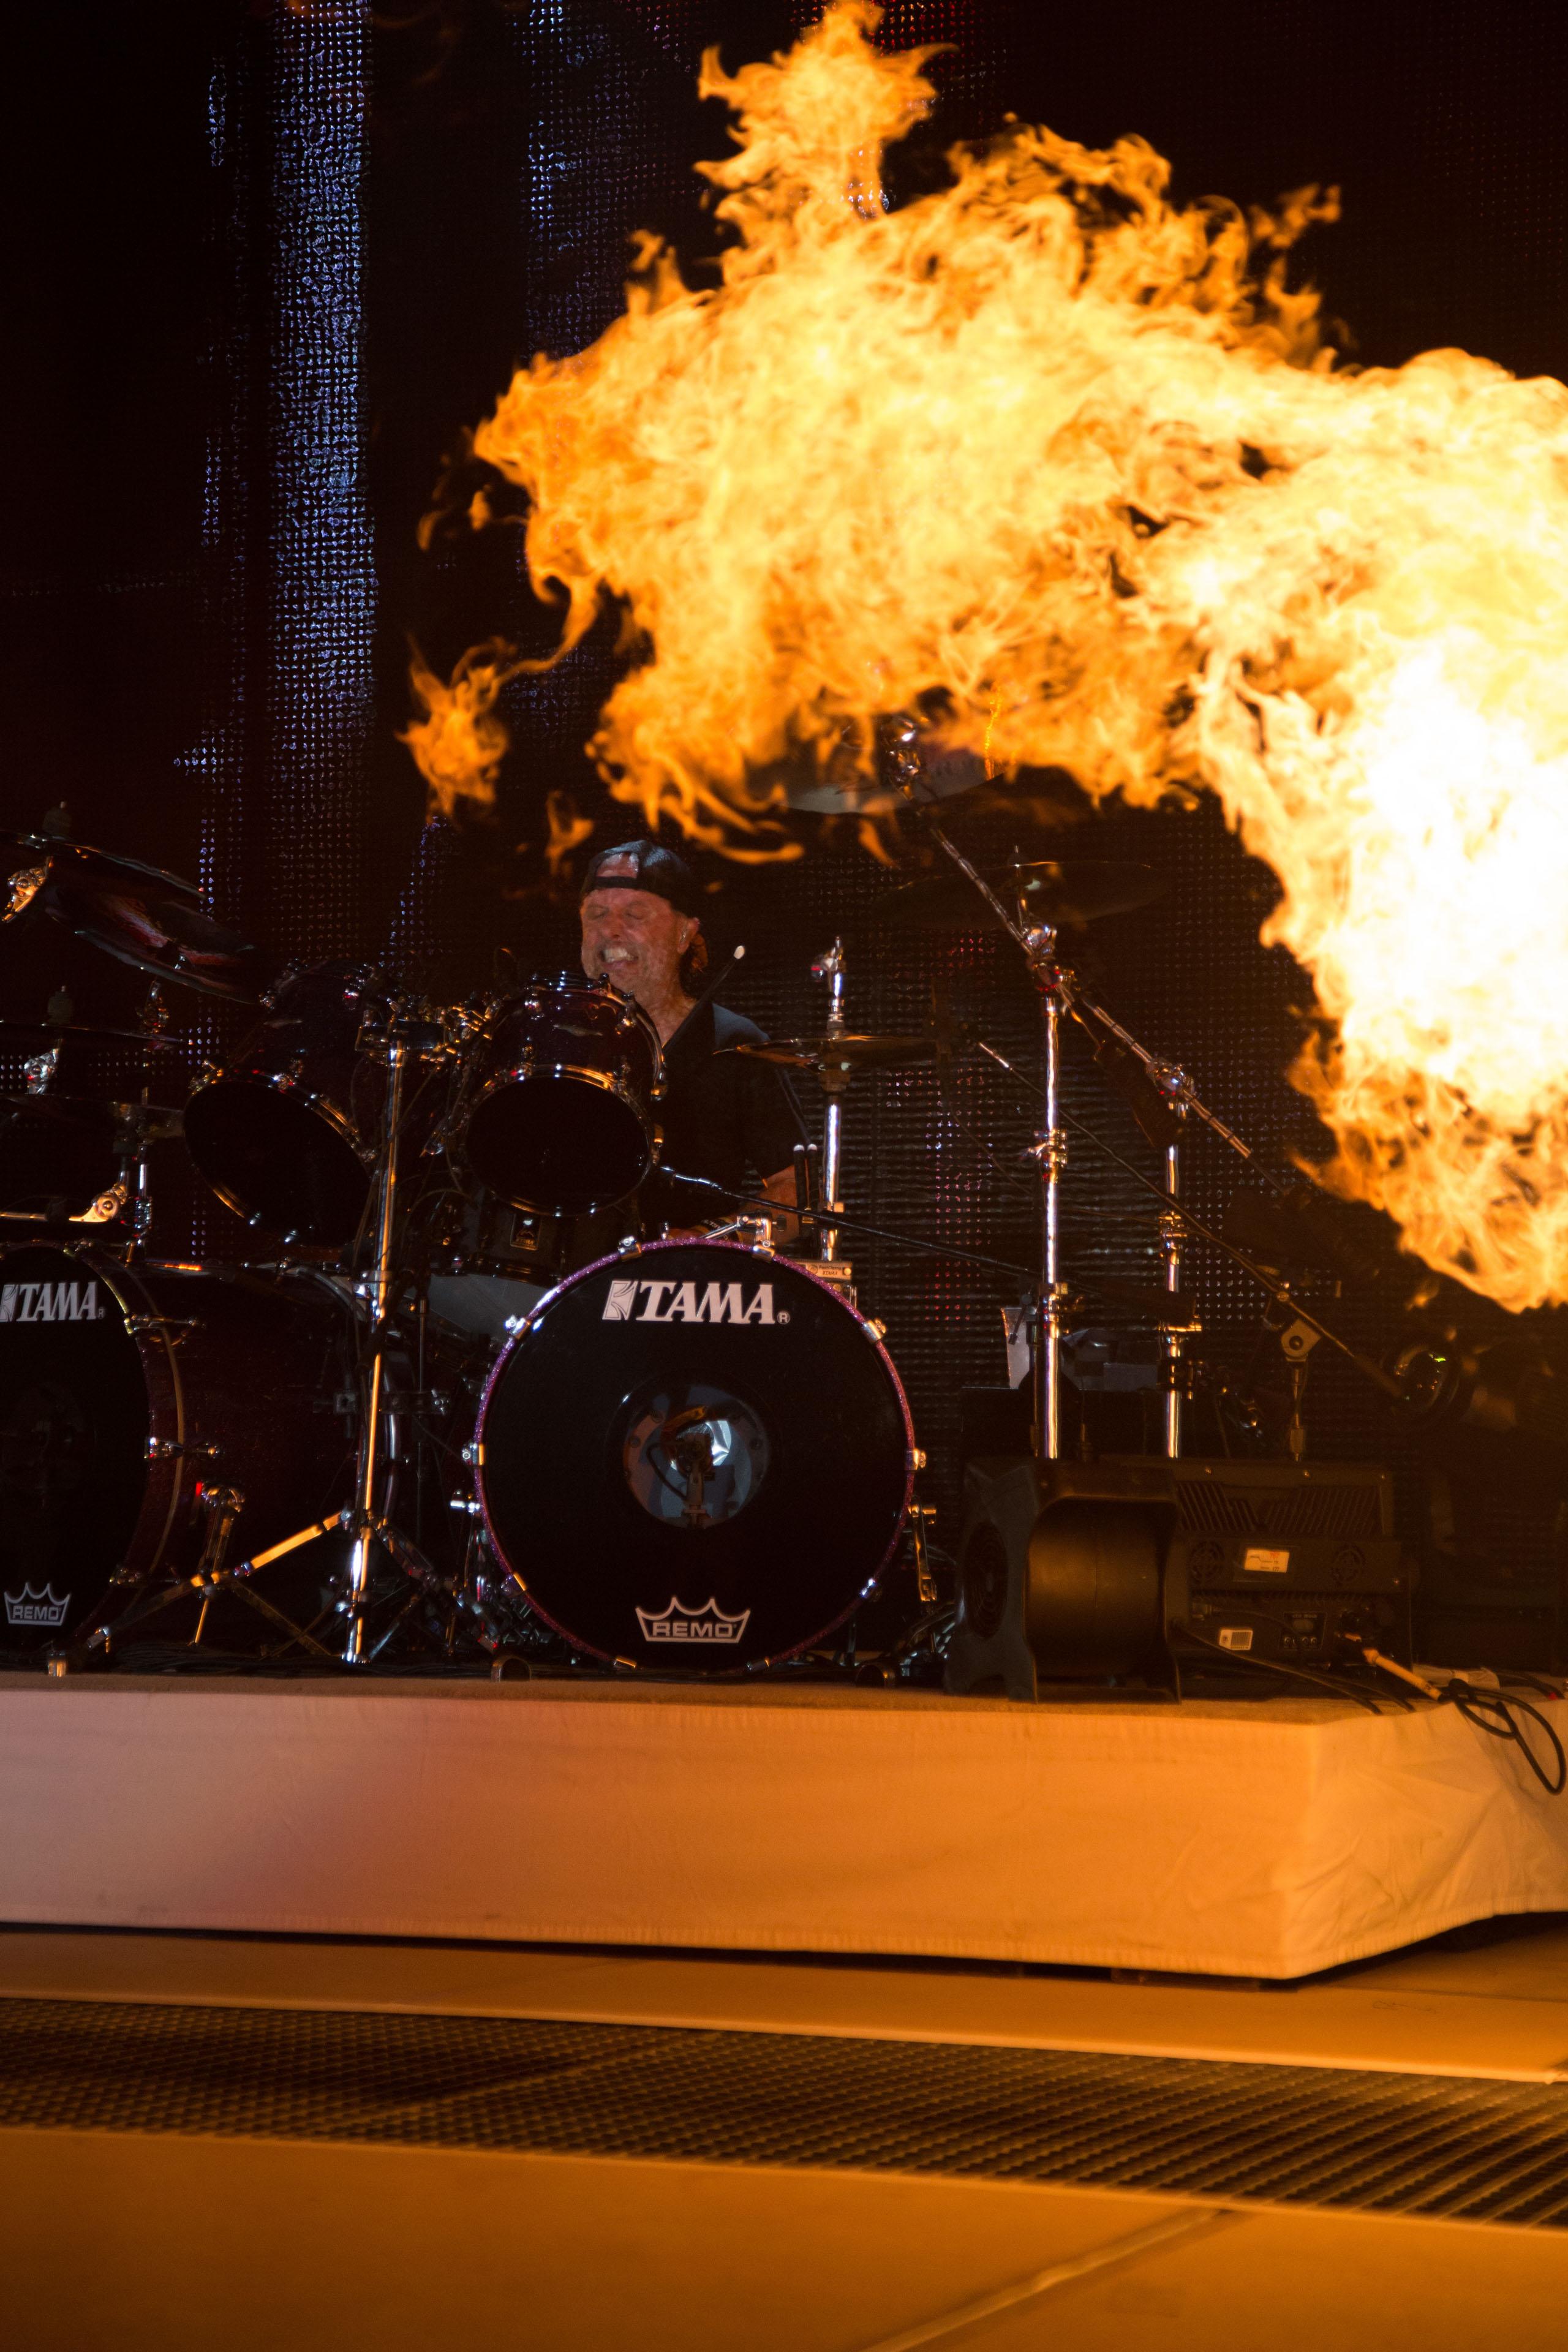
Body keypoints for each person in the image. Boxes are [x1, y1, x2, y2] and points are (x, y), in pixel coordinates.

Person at [576, 839, 805, 1234]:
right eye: (597, 914)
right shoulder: (554, 1035)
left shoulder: (733, 1043)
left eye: (634, 914)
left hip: (680, 1270)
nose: (610, 930)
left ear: (684, 934)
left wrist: (708, 1240)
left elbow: (798, 1191)